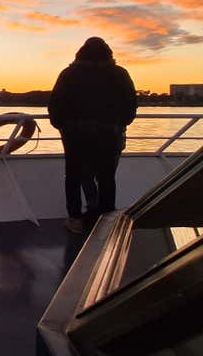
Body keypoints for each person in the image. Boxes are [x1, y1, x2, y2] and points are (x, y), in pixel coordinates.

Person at [48, 37, 137, 234]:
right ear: (109, 54)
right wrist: (120, 123)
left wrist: (62, 126)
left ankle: (76, 219)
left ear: (80, 53)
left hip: (75, 134)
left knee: (73, 176)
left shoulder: (69, 74)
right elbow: (131, 105)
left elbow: (55, 104)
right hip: (109, 133)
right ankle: (105, 220)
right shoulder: (120, 74)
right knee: (106, 177)